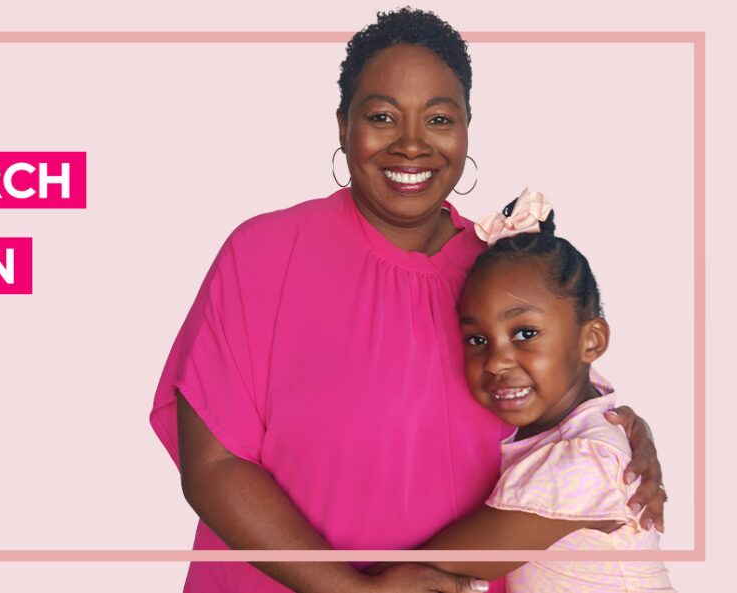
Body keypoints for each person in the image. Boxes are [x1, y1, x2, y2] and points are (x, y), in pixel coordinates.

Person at [148, 8, 666, 593]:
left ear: (468, 126)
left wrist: (624, 436)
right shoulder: (265, 253)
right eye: (382, 116)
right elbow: (213, 466)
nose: (413, 143)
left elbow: (565, 400)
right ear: (343, 125)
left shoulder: (503, 270)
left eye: (439, 118)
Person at [366, 191, 677, 592]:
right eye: (477, 340)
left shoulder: (581, 464)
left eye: (525, 333)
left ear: (592, 341)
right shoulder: (579, 426)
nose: (496, 362)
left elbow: (427, 574)